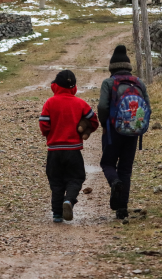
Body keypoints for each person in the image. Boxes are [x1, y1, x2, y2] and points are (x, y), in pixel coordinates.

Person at [98, 45, 150, 220]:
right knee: (126, 169)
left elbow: (102, 107)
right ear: (128, 66)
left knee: (107, 163)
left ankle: (114, 182)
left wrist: (104, 123)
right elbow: (147, 107)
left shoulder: (109, 82)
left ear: (112, 67)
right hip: (133, 131)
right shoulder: (139, 82)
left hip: (113, 132)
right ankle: (122, 210)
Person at [39, 70, 99, 223]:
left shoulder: (50, 103)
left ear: (56, 85)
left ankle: (57, 214)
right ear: (73, 86)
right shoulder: (80, 103)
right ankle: (69, 201)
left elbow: (44, 126)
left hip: (54, 151)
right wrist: (84, 127)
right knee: (76, 177)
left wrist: (50, 132)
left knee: (56, 182)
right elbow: (94, 122)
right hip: (73, 151)